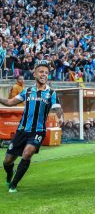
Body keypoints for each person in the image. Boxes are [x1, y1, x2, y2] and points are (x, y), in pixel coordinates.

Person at [1, 60, 64, 193]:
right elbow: (10, 102)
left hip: (38, 131)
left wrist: (61, 117)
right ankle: (9, 174)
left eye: (46, 73)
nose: (44, 74)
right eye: (41, 72)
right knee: (7, 161)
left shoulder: (51, 93)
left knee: (27, 153)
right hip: (22, 130)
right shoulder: (27, 91)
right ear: (34, 74)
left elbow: (57, 108)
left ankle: (13, 184)